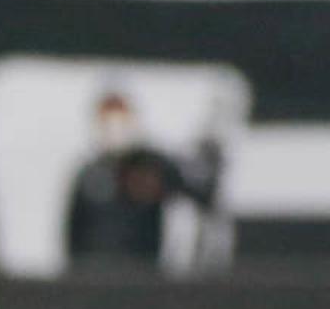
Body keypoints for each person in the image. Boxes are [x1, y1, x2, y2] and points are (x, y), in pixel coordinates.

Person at [65, 91, 224, 269]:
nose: (115, 130)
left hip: (143, 274)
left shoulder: (151, 165)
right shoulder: (88, 174)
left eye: (121, 122)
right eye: (107, 123)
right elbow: (73, 232)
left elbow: (199, 193)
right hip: (94, 275)